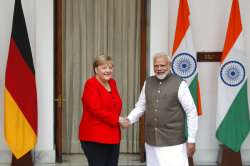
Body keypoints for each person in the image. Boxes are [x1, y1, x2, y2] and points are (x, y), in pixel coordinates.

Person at [120, 52, 198, 166]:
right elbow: (141, 106)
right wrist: (130, 119)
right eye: (156, 66)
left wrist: (191, 139)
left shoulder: (180, 84)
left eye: (162, 65)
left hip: (173, 143)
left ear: (169, 65)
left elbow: (191, 112)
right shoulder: (148, 82)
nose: (159, 68)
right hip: (151, 141)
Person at [79, 55, 123, 166]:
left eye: (110, 67)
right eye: (104, 68)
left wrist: (121, 120)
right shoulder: (91, 84)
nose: (108, 70)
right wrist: (117, 119)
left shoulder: (112, 83)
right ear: (96, 69)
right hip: (94, 137)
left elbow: (115, 106)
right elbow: (95, 109)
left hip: (113, 136)